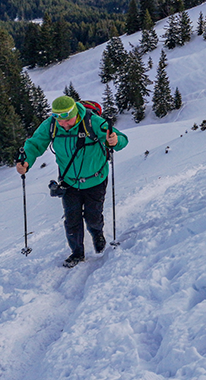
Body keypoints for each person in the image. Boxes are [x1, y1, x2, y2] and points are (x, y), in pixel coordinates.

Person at [16, 95, 128, 268]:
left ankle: (97, 233)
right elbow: (34, 144)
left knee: (93, 216)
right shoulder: (51, 125)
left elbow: (121, 140)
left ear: (75, 112)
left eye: (68, 120)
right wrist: (26, 161)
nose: (65, 125)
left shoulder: (93, 122)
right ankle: (77, 253)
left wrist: (115, 140)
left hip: (95, 180)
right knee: (72, 220)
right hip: (69, 183)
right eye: (61, 121)